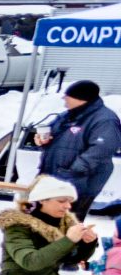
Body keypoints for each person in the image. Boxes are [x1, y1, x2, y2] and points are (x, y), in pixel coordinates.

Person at [0, 174, 98, 275]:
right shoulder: (17, 226)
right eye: (61, 201)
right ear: (42, 200)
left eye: (69, 201)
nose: (68, 206)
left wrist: (88, 243)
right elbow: (30, 262)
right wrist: (68, 240)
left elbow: (71, 259)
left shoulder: (63, 223)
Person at [32, 79, 119, 212]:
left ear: (81, 99)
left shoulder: (105, 120)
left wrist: (74, 170)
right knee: (42, 219)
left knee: (68, 222)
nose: (64, 98)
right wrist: (41, 139)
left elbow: (102, 149)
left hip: (79, 182)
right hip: (54, 177)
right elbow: (51, 132)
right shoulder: (67, 115)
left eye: (68, 95)